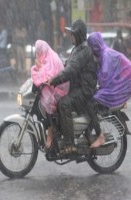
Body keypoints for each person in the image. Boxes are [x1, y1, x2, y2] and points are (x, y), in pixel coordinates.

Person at [48, 19, 100, 152]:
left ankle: (69, 143)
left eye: (73, 34)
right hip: (77, 88)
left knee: (64, 104)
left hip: (85, 91)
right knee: (57, 102)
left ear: (79, 35)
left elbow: (71, 70)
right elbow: (66, 66)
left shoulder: (84, 50)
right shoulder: (77, 49)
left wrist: (55, 80)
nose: (70, 36)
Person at [87, 32, 131, 140]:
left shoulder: (105, 55)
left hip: (126, 80)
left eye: (91, 46)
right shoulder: (104, 53)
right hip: (124, 79)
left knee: (95, 99)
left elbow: (104, 78)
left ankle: (98, 133)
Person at [31, 40, 69, 149]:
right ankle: (47, 127)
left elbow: (49, 77)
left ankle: (51, 130)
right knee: (40, 102)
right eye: (37, 52)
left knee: (47, 100)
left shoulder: (53, 58)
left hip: (59, 89)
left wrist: (40, 67)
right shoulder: (46, 57)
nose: (38, 54)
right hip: (53, 86)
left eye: (39, 52)